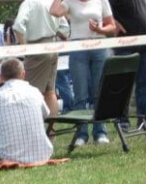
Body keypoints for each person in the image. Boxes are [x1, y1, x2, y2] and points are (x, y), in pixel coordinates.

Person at [50, 0, 117, 146]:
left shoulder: (101, 1)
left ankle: (100, 132)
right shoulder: (70, 1)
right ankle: (81, 134)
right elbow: (54, 12)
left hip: (99, 47)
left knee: (98, 92)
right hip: (78, 49)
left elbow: (112, 26)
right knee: (80, 93)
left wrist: (100, 30)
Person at [0, 58, 54, 164]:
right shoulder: (35, 92)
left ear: (1, 76)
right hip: (42, 155)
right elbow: (45, 114)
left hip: (6, 157)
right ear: (23, 74)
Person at [13, 0, 71, 117]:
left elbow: (18, 26)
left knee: (31, 93)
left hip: (37, 48)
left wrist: (26, 49)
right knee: (50, 92)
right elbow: (65, 29)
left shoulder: (28, 3)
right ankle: (51, 133)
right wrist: (52, 31)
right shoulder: (52, 2)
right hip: (53, 48)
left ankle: (35, 130)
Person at [108, 0, 146, 126]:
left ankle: (144, 119)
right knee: (123, 85)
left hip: (145, 45)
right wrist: (112, 21)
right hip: (124, 45)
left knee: (145, 84)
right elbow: (101, 9)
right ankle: (122, 121)